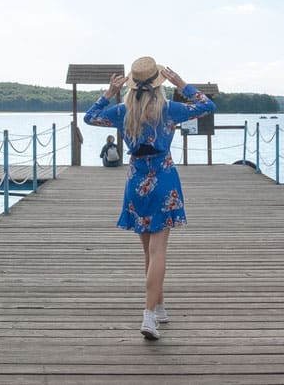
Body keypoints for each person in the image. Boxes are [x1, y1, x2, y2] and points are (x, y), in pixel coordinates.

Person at [84, 56, 216, 340]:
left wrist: (109, 93)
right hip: (163, 180)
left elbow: (90, 117)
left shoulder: (122, 110)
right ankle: (148, 315)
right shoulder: (168, 110)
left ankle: (159, 307)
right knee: (159, 251)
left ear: (131, 85)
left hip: (136, 181)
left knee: (148, 252)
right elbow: (207, 105)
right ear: (159, 84)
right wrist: (182, 83)